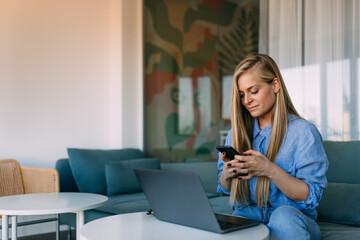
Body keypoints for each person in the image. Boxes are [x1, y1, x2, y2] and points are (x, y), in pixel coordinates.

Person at [217, 53, 328, 240]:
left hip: (294, 217)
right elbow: (225, 188)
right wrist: (227, 175)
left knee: (283, 217)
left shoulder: (303, 133)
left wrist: (269, 169)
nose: (247, 100)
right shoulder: (236, 134)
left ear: (275, 85)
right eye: (242, 94)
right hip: (249, 214)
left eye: (254, 91)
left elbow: (310, 195)